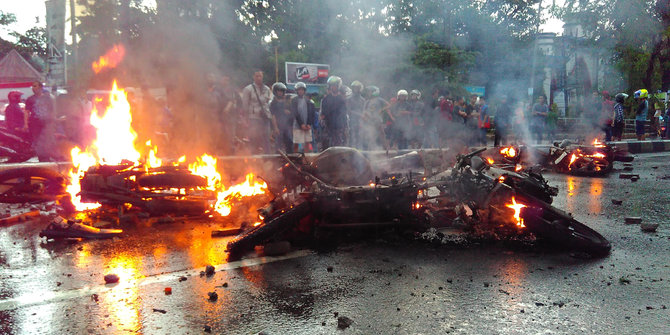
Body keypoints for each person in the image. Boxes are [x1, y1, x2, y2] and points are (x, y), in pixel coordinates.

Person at [241, 70, 275, 154]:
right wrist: (245, 119)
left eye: (260, 76)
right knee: (254, 138)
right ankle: (254, 158)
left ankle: (268, 157)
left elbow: (268, 102)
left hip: (265, 117)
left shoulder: (267, 89)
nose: (259, 78)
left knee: (266, 138)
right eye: (257, 76)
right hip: (253, 117)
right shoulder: (248, 89)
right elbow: (245, 105)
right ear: (253, 77)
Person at [24, 81, 56, 161]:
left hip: (47, 124)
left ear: (41, 87)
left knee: (47, 141)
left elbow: (52, 111)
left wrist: (53, 122)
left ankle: (47, 157)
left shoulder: (47, 98)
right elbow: (26, 112)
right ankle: (41, 158)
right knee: (38, 142)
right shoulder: (30, 99)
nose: (33, 88)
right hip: (35, 125)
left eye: (35, 86)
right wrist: (26, 124)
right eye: (32, 86)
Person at [320, 76, 348, 148]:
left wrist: (345, 127)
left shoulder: (342, 99)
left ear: (338, 86)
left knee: (339, 145)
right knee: (326, 146)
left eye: (335, 86)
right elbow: (323, 115)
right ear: (330, 86)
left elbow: (344, 114)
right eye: (332, 86)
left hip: (339, 127)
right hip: (328, 127)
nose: (333, 87)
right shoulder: (325, 99)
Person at [361, 85, 390, 150]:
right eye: (368, 92)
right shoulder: (367, 101)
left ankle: (386, 148)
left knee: (382, 134)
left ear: (375, 92)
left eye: (370, 91)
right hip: (370, 121)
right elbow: (364, 112)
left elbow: (388, 105)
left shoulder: (379, 100)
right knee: (371, 135)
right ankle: (370, 149)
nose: (369, 93)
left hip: (378, 120)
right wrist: (364, 116)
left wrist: (382, 110)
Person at [289, 82, 316, 153]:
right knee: (296, 143)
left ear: (304, 91)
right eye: (299, 90)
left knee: (307, 142)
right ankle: (295, 158)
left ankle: (306, 159)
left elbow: (311, 113)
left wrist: (309, 124)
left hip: (307, 126)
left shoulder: (308, 101)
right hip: (298, 125)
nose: (301, 91)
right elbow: (295, 113)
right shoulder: (294, 100)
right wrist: (301, 124)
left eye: (302, 90)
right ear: (296, 91)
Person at [269, 82, 292, 153]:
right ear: (275, 91)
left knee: (289, 142)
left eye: (282, 91)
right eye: (278, 91)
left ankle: (290, 159)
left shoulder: (287, 102)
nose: (280, 93)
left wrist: (288, 112)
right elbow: (273, 116)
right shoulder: (273, 103)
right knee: (278, 144)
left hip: (287, 126)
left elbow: (292, 113)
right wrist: (275, 127)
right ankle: (277, 160)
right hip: (278, 126)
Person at [346, 80, 365, 149]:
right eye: (354, 88)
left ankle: (360, 151)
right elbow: (349, 111)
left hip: (360, 121)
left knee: (360, 137)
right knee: (352, 136)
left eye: (357, 88)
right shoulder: (349, 99)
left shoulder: (363, 100)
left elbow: (364, 110)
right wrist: (359, 114)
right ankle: (351, 149)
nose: (355, 90)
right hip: (352, 120)